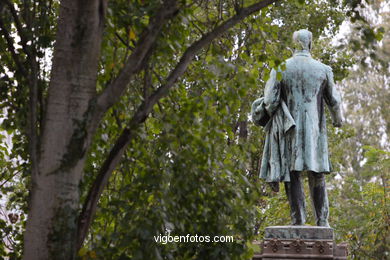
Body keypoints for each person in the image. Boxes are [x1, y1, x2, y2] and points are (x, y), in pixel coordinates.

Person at [252, 29, 343, 227]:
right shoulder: (323, 69)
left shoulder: (280, 67)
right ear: (310, 43)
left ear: (295, 44)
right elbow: (334, 100)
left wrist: (260, 110)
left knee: (292, 173)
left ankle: (298, 221)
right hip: (314, 132)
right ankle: (322, 222)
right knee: (316, 172)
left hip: (289, 128)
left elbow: (270, 101)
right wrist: (338, 119)